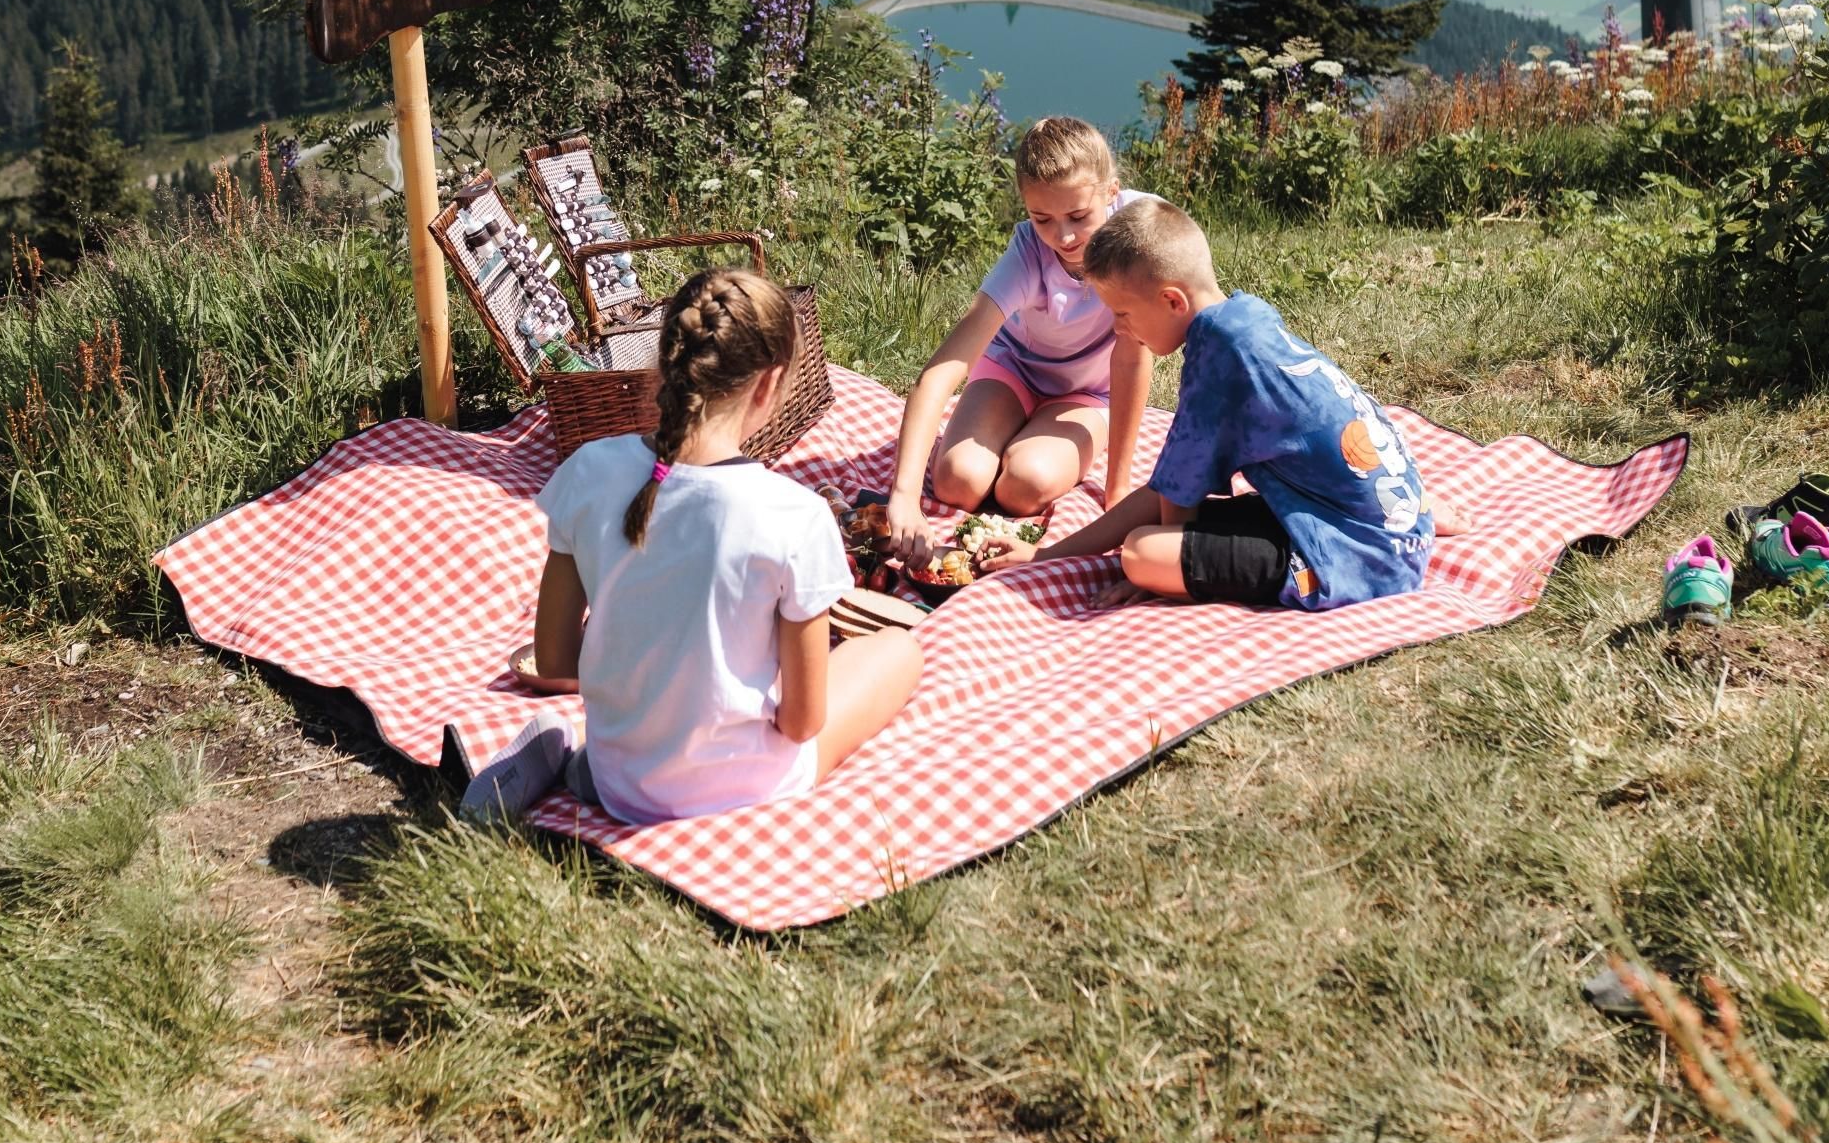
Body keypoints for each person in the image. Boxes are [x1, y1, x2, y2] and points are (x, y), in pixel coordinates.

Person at [461, 267, 923, 824]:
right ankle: (589, 749)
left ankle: (576, 750)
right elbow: (802, 723)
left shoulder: (588, 471)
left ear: (665, 365)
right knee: (897, 652)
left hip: (620, 780)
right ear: (769, 385)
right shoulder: (794, 515)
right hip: (746, 788)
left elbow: (555, 658)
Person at [972, 197, 1444, 609]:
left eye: (1123, 313)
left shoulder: (1218, 363)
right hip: (1378, 525)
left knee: (1140, 553)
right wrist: (1047, 555)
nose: (1119, 329)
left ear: (1172, 301)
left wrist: (1167, 575)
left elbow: (1175, 507)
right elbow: (1166, 489)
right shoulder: (1244, 317)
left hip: (1359, 557)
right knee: (1149, 532)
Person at [883, 116, 1156, 563]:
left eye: (1079, 216)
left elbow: (1133, 355)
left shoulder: (1141, 235)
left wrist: (1118, 488)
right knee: (957, 482)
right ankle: (1008, 433)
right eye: (1041, 218)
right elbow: (940, 373)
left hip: (1086, 392)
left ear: (1111, 192)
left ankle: (1028, 441)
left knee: (1025, 485)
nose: (1063, 236)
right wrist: (904, 496)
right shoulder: (1028, 255)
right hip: (1012, 371)